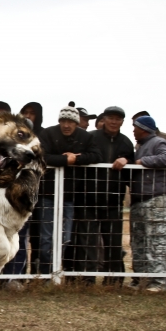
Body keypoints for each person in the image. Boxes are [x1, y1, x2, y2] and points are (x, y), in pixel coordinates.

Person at [39, 105, 102, 282]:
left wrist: (77, 158)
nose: (66, 125)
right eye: (63, 121)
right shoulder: (48, 134)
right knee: (45, 240)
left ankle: (58, 273)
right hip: (48, 194)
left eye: (70, 122)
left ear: (76, 123)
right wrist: (66, 159)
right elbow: (41, 155)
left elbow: (97, 156)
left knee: (65, 239)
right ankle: (44, 276)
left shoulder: (85, 137)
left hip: (70, 196)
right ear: (59, 121)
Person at [125, 116, 166, 292]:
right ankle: (141, 279)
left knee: (157, 243)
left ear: (143, 128)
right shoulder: (140, 147)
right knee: (139, 243)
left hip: (157, 200)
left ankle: (158, 282)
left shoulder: (158, 142)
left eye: (135, 127)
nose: (133, 130)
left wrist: (142, 162)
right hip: (140, 200)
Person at [87, 106, 135, 285]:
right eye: (111, 118)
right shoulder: (92, 138)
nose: (114, 122)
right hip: (89, 200)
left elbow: (132, 166)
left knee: (114, 243)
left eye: (118, 119)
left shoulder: (126, 142)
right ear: (104, 119)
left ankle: (114, 279)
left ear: (122, 121)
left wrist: (127, 160)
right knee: (89, 243)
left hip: (114, 201)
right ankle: (87, 279)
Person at [4, 102, 44, 281]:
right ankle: (2, 278)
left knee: (19, 239)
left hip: (21, 202)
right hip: (1, 202)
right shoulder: (5, 149)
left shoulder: (35, 153)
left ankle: (16, 278)